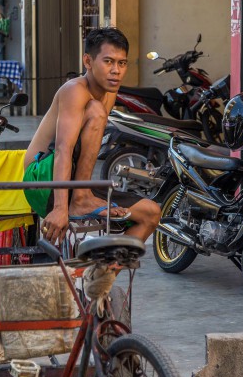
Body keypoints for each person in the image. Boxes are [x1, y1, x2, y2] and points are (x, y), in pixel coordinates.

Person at [23, 27, 160, 244]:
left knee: (150, 214)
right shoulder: (75, 90)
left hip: (75, 182)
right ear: (88, 61)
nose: (116, 70)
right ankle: (81, 198)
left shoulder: (109, 92)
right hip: (42, 180)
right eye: (108, 61)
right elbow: (63, 149)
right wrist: (60, 208)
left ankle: (102, 275)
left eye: (121, 63)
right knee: (96, 111)